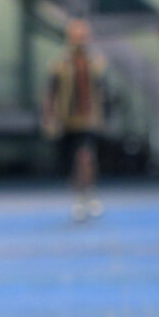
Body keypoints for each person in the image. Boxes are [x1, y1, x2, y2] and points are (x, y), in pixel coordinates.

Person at [42, 18, 108, 222]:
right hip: (67, 120)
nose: (80, 40)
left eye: (83, 36)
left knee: (86, 157)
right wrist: (48, 117)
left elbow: (102, 92)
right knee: (72, 162)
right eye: (76, 36)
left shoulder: (95, 64)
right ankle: (80, 197)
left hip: (88, 120)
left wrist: (103, 116)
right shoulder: (60, 65)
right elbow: (51, 93)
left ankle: (89, 194)